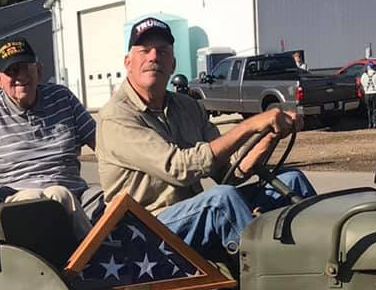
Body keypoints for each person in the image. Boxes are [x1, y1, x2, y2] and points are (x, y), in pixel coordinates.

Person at [96, 17, 314, 256]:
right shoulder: (116, 116)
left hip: (189, 217)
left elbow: (230, 172)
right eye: (144, 50)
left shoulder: (187, 107)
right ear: (128, 62)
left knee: (292, 180)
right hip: (142, 232)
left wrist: (270, 134)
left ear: (173, 64)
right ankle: (275, 283)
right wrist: (250, 125)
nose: (153, 57)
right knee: (221, 201)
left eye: (162, 51)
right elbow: (178, 169)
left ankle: (327, 264)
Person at [0, 38, 95, 237]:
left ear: (39, 69)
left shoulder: (63, 98)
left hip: (76, 193)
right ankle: (91, 261)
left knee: (111, 201)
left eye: (26, 68)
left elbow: (103, 145)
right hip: (17, 200)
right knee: (43, 198)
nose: (21, 77)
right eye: (12, 71)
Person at [360, 61, 376, 129]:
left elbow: (362, 85)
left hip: (367, 94)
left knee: (369, 109)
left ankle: (369, 123)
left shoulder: (363, 75)